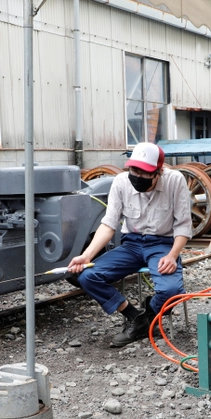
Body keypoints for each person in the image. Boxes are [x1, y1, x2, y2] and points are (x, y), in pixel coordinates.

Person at [68, 142, 192, 347]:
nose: (138, 176)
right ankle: (136, 317)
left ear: (158, 172)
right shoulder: (121, 182)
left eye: (145, 173)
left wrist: (172, 255)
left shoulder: (175, 181)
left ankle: (151, 311)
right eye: (134, 170)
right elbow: (109, 224)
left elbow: (183, 226)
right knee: (88, 276)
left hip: (162, 244)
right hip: (131, 245)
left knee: (171, 291)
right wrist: (87, 256)